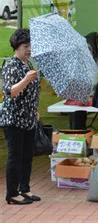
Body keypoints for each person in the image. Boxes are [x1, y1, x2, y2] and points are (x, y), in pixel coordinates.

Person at [1, 29, 41, 205]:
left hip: (29, 118)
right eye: (25, 46)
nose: (29, 50)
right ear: (17, 47)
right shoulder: (11, 64)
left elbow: (32, 91)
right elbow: (10, 92)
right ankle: (12, 193)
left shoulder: (28, 65)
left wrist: (35, 109)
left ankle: (25, 188)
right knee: (15, 156)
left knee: (27, 155)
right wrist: (26, 79)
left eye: (30, 46)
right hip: (13, 119)